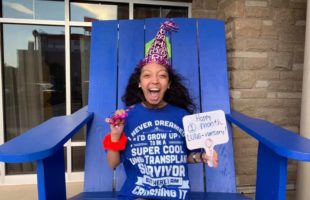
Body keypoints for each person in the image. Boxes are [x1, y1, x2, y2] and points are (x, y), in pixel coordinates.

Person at [103, 20, 218, 200]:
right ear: (140, 83)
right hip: (138, 195)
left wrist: (202, 157)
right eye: (147, 75)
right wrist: (115, 136)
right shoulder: (126, 117)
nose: (155, 81)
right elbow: (113, 164)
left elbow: (186, 157)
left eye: (162, 76)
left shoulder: (182, 116)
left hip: (175, 195)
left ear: (169, 84)